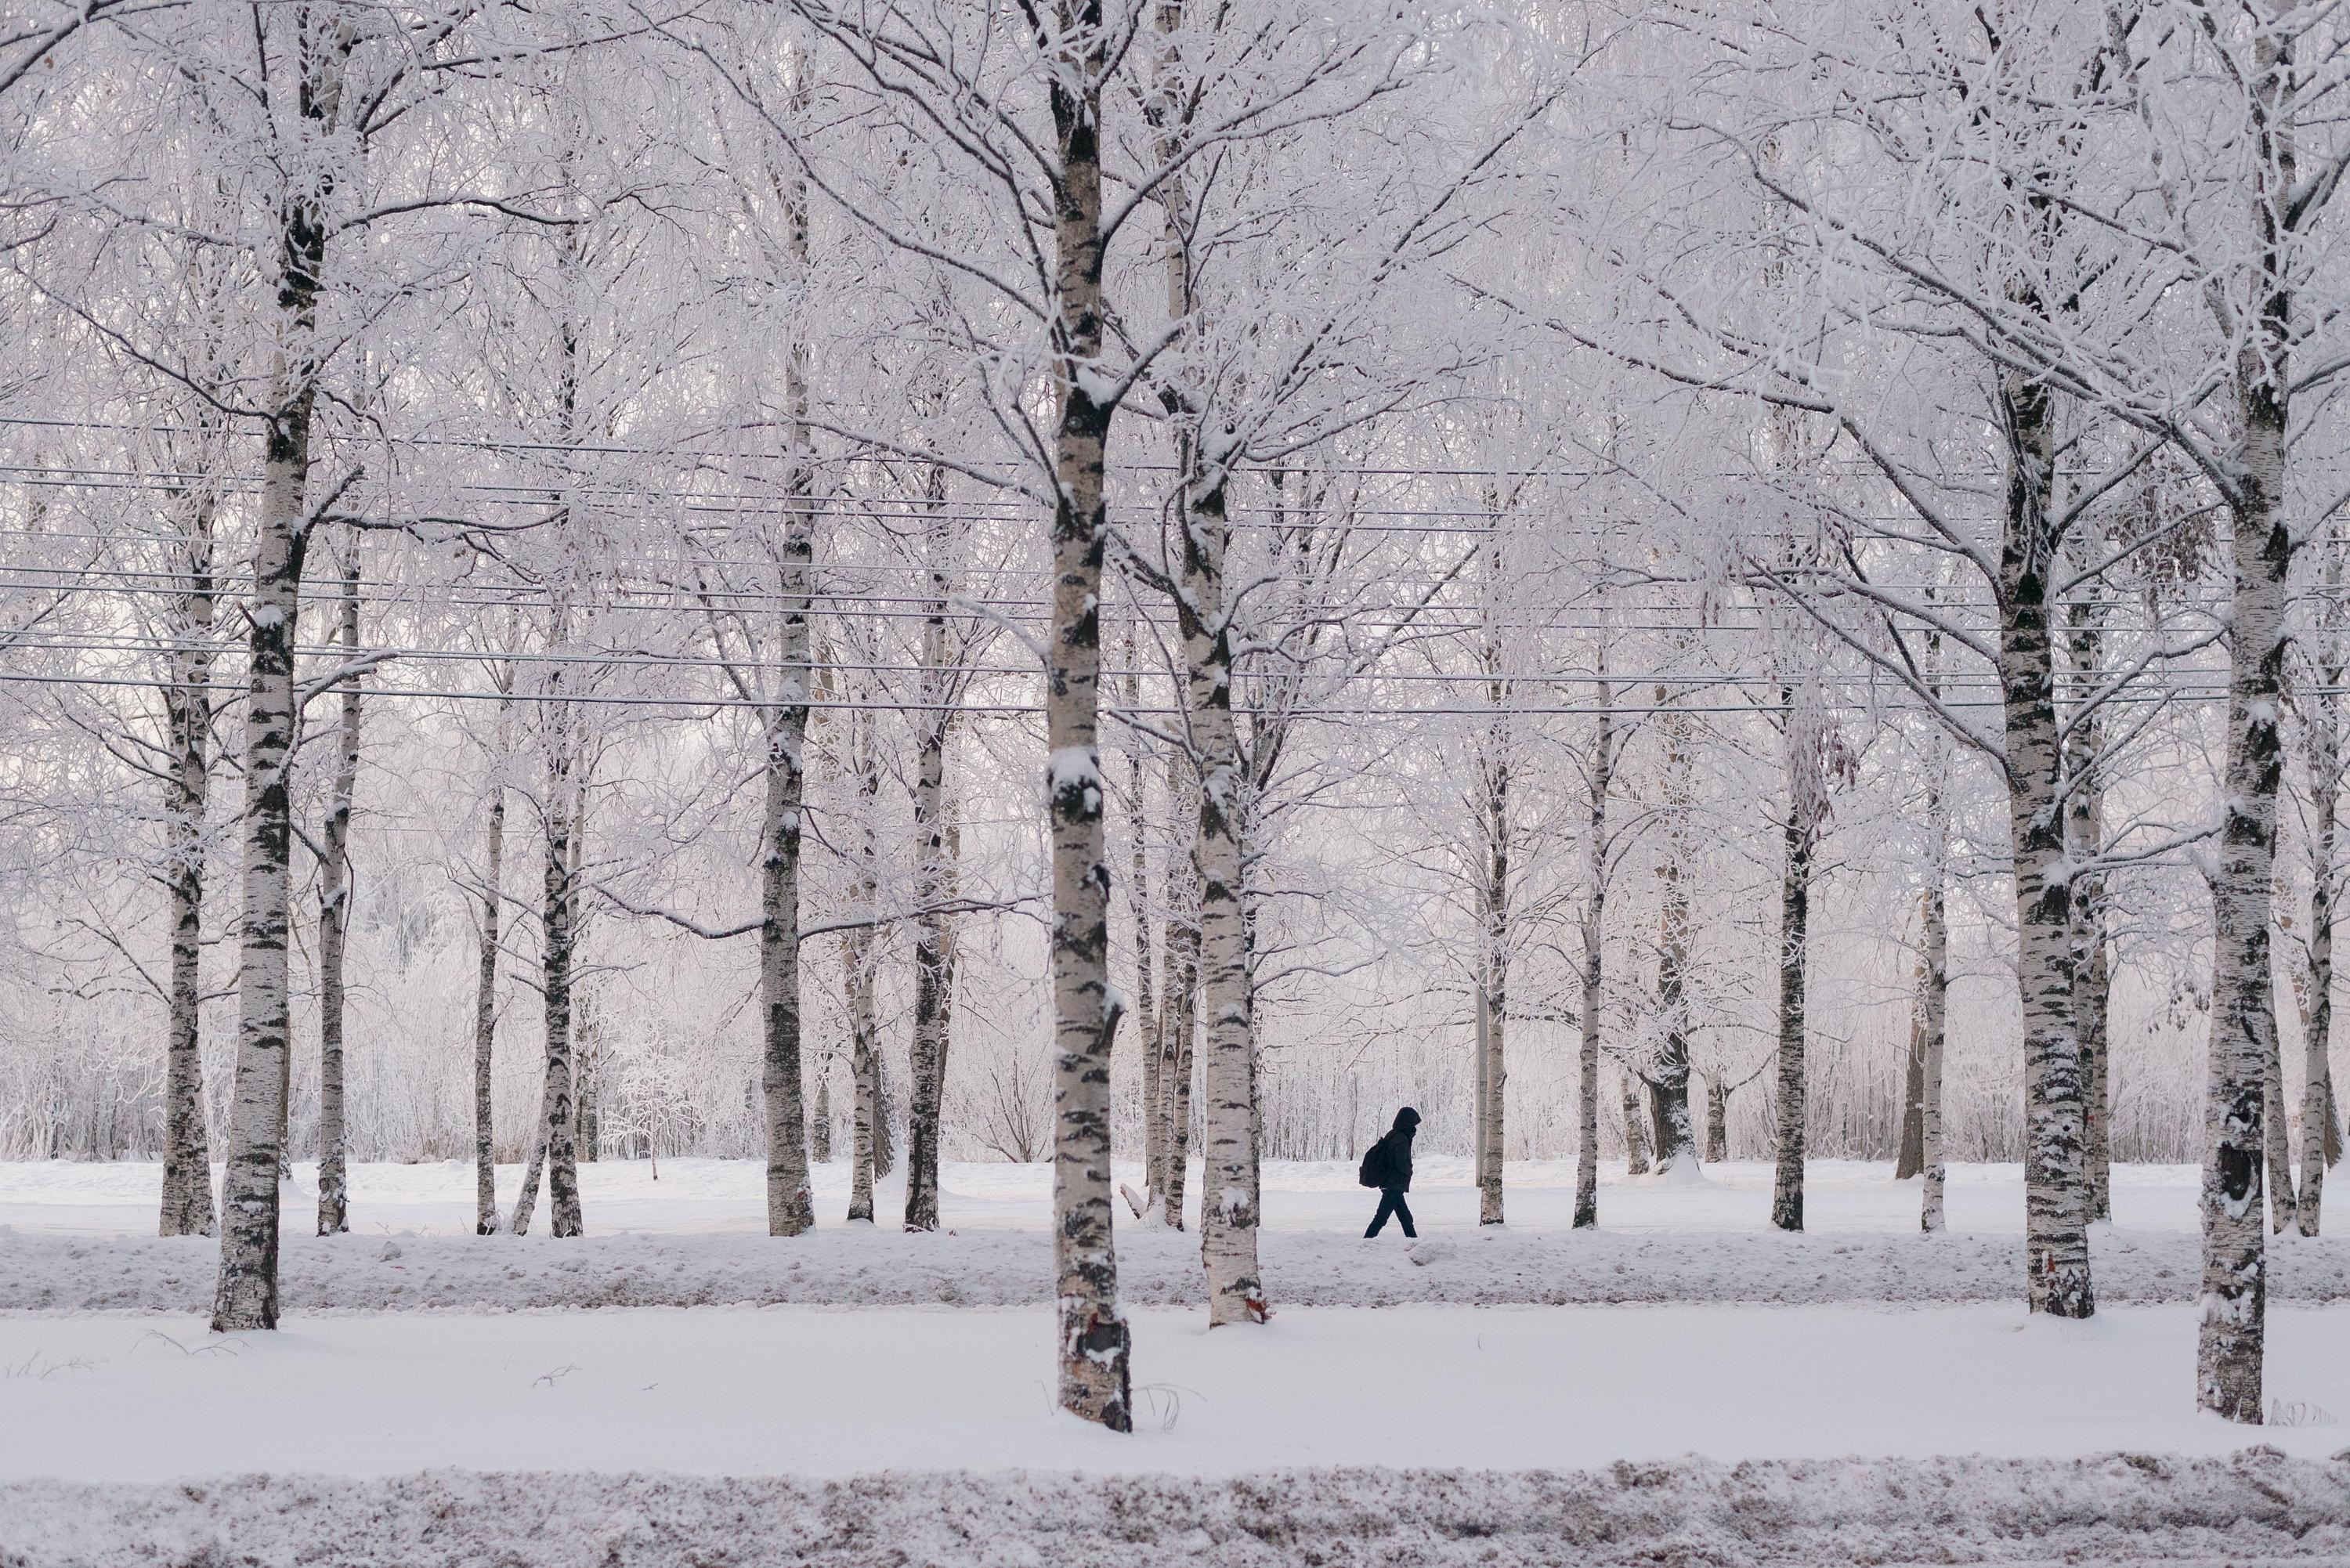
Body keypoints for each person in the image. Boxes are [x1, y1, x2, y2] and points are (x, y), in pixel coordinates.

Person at [1361, 1106, 1420, 1238]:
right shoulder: (1401, 1139)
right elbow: (1400, 1162)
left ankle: (1414, 1241)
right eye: (1413, 1123)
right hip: (1394, 1184)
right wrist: (1409, 1171)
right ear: (1407, 1122)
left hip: (1391, 1183)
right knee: (1381, 1218)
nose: (1414, 1127)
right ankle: (1366, 1242)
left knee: (1406, 1218)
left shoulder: (1393, 1134)